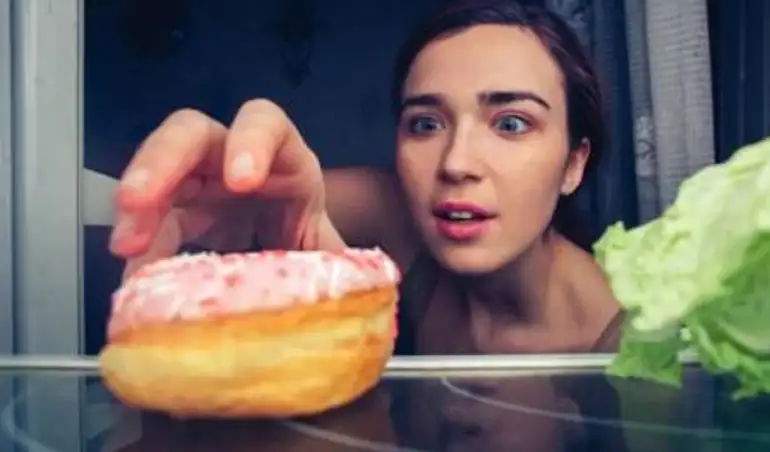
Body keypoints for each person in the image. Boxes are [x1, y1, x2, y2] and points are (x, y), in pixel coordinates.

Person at [110, 0, 622, 357]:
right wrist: (231, 186)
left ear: (574, 164)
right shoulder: (398, 215)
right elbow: (258, 202)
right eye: (426, 124)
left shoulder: (634, 342)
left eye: (511, 124)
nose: (455, 163)